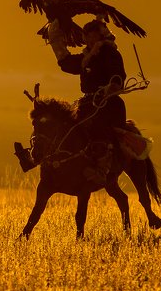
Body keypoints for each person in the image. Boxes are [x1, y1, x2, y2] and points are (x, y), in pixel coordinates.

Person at [46, 16, 128, 187]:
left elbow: (118, 76)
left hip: (108, 104)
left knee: (99, 130)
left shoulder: (111, 53)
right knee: (67, 126)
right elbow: (68, 64)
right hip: (87, 102)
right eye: (87, 36)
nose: (90, 39)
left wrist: (110, 87)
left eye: (93, 36)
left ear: (101, 36)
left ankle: (102, 169)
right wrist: (55, 40)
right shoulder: (86, 56)